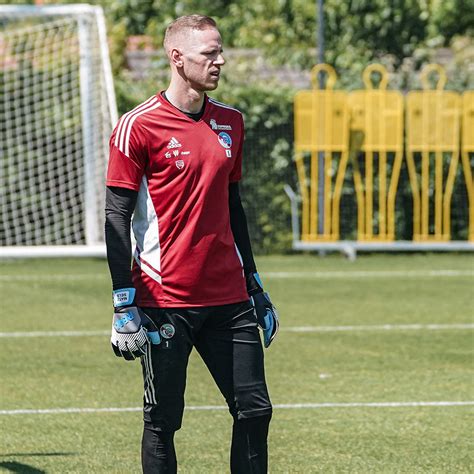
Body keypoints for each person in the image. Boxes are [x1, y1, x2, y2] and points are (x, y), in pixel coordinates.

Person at [104, 14, 279, 473]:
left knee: (255, 410)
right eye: (209, 53)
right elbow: (116, 217)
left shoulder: (232, 123)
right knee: (162, 421)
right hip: (165, 299)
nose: (220, 61)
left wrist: (255, 284)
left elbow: (233, 207)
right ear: (177, 58)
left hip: (230, 298)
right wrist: (124, 303)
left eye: (220, 52)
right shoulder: (136, 126)